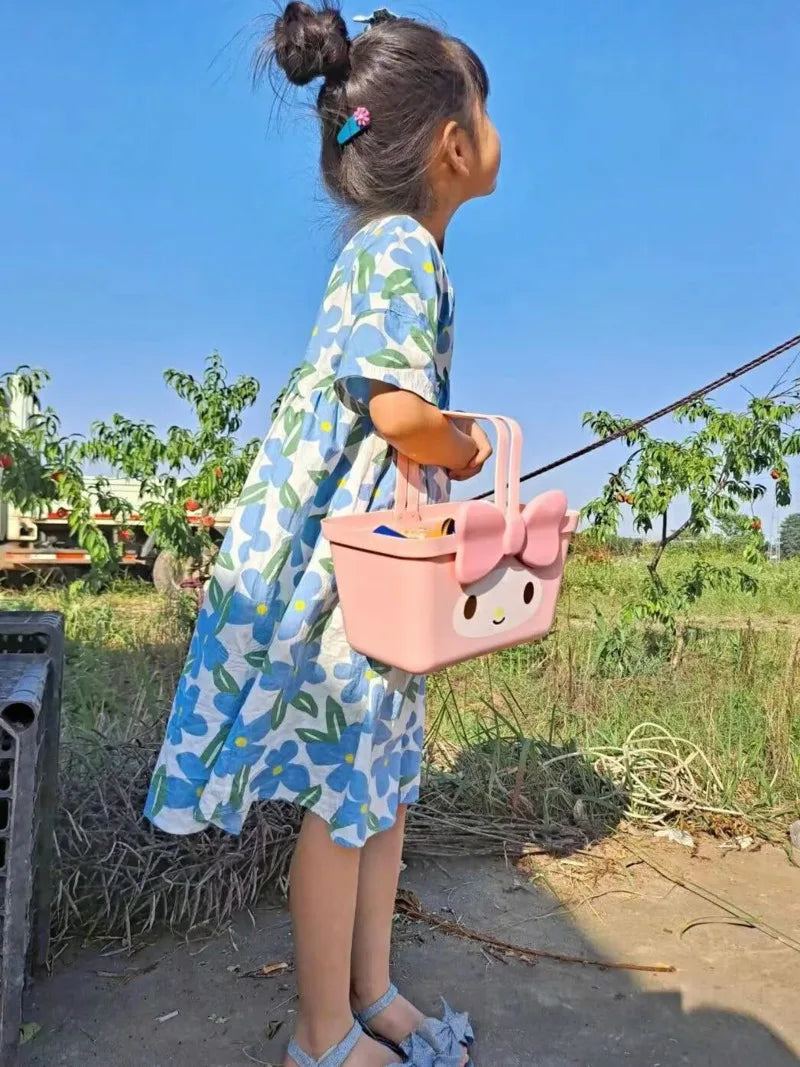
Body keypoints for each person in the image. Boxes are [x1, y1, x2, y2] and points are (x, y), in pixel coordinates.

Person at [145, 4, 500, 1064]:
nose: (492, 132)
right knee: (345, 805)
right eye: (485, 111)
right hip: (338, 582)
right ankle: (319, 1033)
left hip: (371, 577)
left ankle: (372, 990)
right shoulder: (398, 248)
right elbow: (395, 412)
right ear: (450, 141)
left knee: (375, 791)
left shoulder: (396, 250)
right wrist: (463, 444)